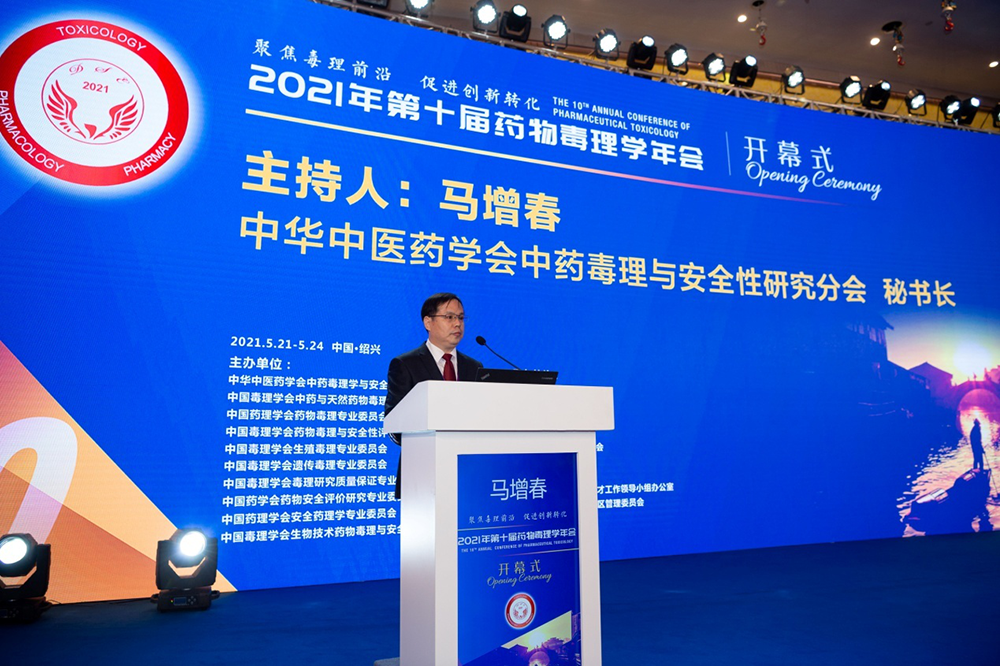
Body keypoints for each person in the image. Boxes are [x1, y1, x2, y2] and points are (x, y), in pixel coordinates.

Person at [384, 293, 483, 498]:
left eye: (461, 317)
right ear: (428, 322)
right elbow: (394, 420)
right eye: (449, 317)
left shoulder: (474, 367)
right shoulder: (405, 364)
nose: (457, 324)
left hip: (467, 473)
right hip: (421, 475)